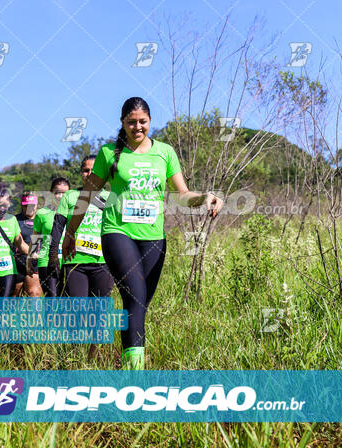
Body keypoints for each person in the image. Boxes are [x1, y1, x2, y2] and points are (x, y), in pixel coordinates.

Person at [61, 97, 224, 369]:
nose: (138, 127)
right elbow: (87, 196)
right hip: (117, 232)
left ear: (150, 121)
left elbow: (182, 195)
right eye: (132, 122)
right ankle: (135, 376)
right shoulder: (108, 153)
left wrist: (204, 197)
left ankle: (126, 366)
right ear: (123, 123)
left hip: (153, 238)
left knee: (137, 304)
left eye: (143, 122)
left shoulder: (164, 152)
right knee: (136, 296)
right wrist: (71, 233)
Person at [49, 156, 114, 359]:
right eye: (85, 170)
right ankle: (74, 357)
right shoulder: (70, 197)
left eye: (93, 170)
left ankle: (91, 359)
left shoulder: (110, 197)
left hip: (103, 263)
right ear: (81, 173)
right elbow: (58, 225)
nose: (89, 174)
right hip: (74, 263)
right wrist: (53, 254)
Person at [34, 177, 70, 296]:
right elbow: (36, 239)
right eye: (57, 192)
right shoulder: (41, 213)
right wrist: (30, 262)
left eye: (65, 193)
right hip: (46, 262)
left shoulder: (76, 214)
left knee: (68, 301)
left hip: (69, 262)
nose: (60, 196)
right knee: (53, 300)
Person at [13, 191, 42, 297]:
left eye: (32, 206)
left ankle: (35, 314)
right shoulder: (14, 220)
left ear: (36, 205)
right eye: (26, 206)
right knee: (15, 296)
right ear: (22, 205)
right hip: (16, 263)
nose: (29, 209)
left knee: (34, 293)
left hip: (35, 262)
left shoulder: (42, 219)